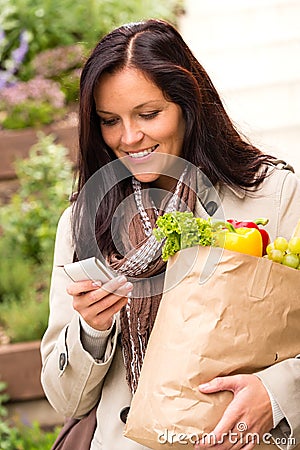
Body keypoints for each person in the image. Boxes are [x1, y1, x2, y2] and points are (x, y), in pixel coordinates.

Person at [40, 18, 300, 450]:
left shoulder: (271, 194)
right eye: (109, 120)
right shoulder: (84, 222)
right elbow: (66, 398)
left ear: (188, 105)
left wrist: (276, 394)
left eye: (148, 114)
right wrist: (91, 329)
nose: (129, 137)